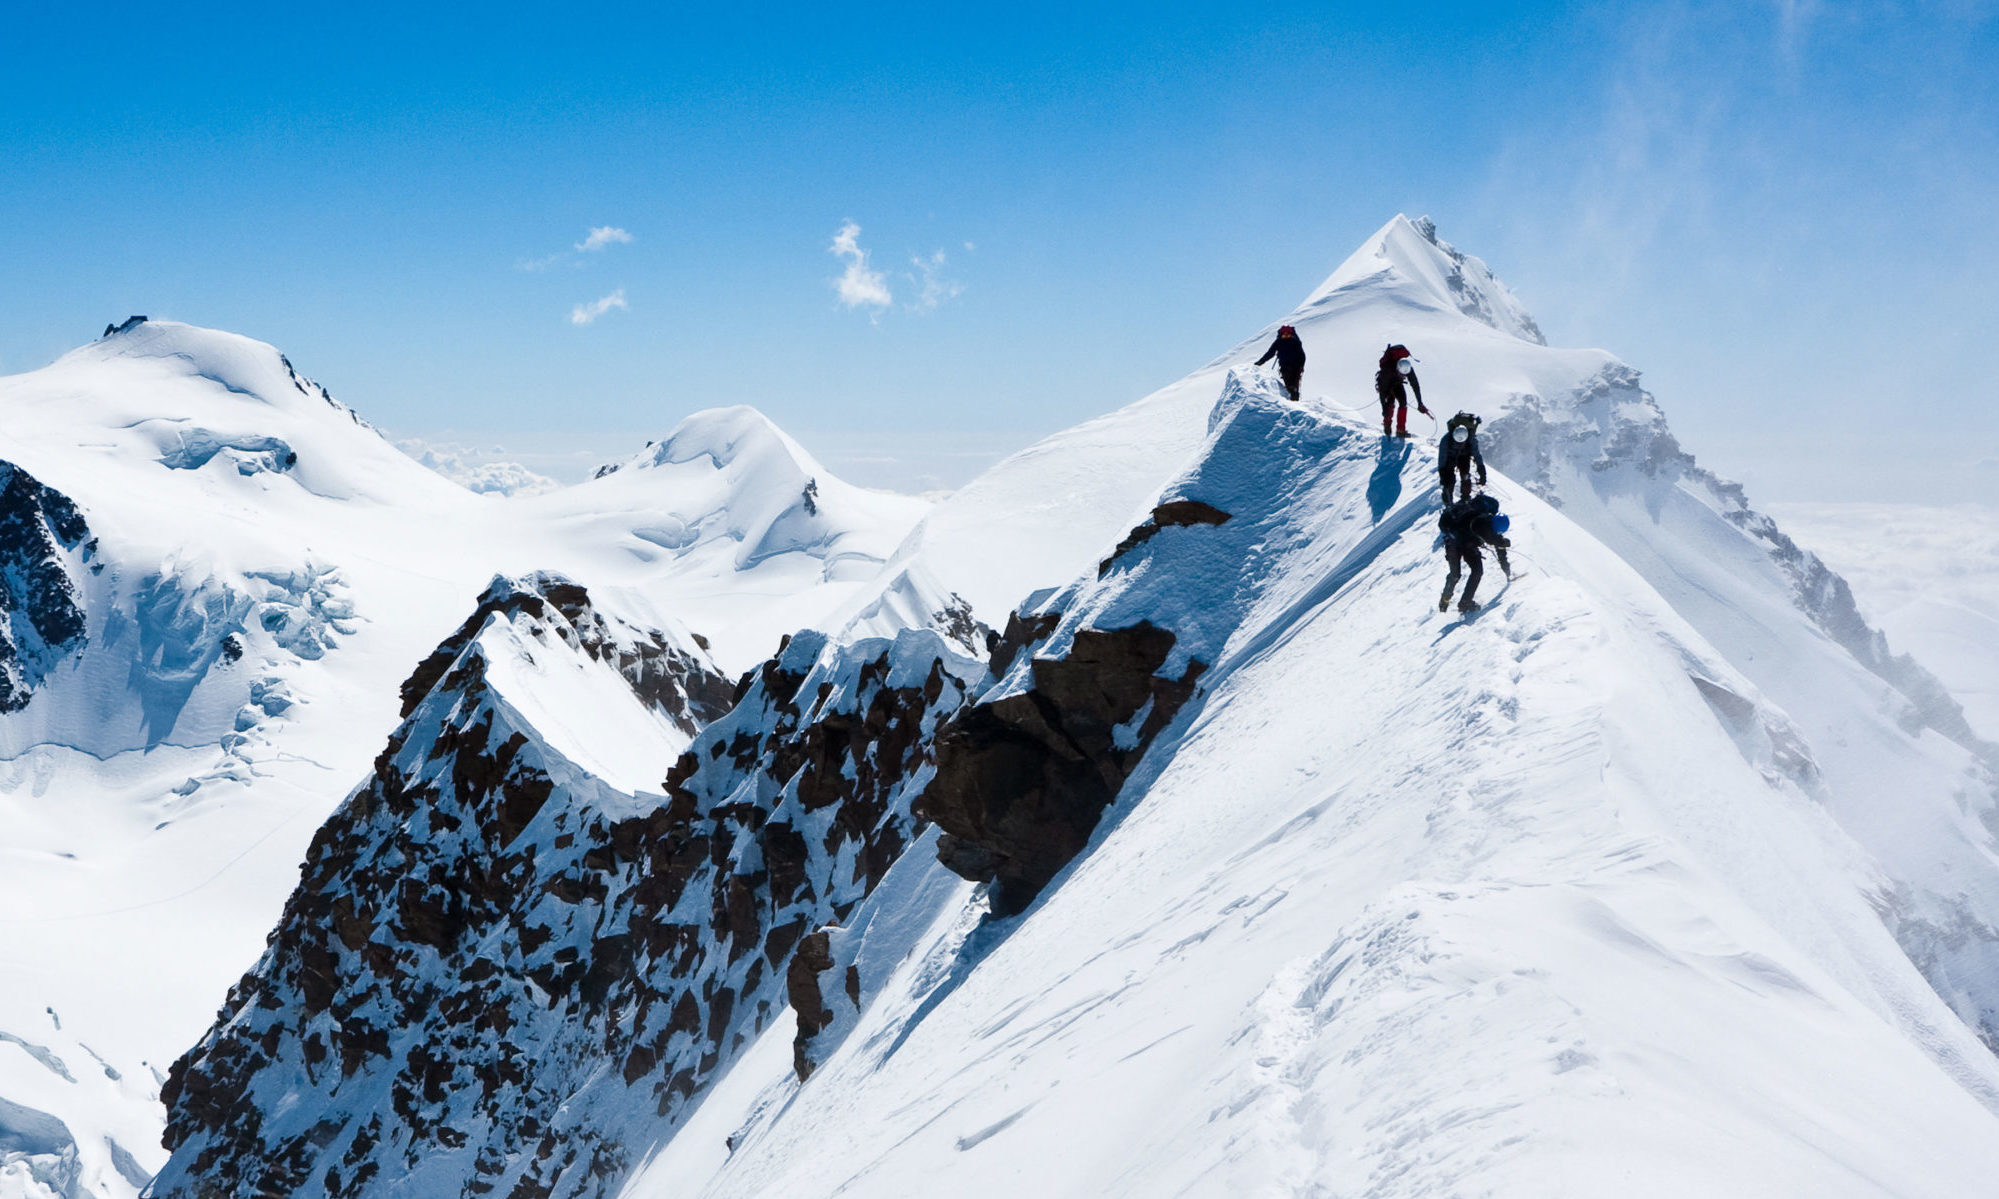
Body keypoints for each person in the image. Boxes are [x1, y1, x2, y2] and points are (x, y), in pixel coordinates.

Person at [1438, 493, 1512, 613]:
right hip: (1458, 543)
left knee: (1456, 574)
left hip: (1460, 543)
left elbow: (1496, 542)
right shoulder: (1482, 523)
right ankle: (1454, 602)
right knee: (1473, 571)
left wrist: (1506, 568)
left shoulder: (1486, 521)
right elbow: (1493, 540)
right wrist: (1506, 567)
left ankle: (1452, 601)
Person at [1375, 344, 1430, 437]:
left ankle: (1400, 430)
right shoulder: (1387, 371)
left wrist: (1420, 403)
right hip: (1386, 383)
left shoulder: (1408, 369)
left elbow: (1415, 386)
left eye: (1404, 375)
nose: (1404, 376)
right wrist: (1384, 409)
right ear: (1397, 369)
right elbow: (1383, 393)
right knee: (1389, 403)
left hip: (1397, 383)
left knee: (1403, 402)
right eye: (1401, 374)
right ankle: (1387, 425)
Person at [1439, 411, 1487, 503]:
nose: (1460, 444)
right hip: (1450, 456)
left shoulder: (1471, 440)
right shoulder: (1446, 441)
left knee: (1465, 475)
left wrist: (1482, 473)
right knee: (1448, 478)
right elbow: (1442, 460)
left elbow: (1477, 456)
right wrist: (1443, 476)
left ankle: (1465, 497)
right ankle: (1448, 499)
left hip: (1464, 456)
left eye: (1462, 442)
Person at [1254, 326, 1306, 400]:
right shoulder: (1280, 342)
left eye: (1288, 334)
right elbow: (1270, 353)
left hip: (1295, 366)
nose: (1286, 336)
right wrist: (1261, 361)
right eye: (1284, 334)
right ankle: (1294, 400)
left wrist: (1301, 366)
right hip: (1286, 366)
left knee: (1293, 385)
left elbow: (1302, 355)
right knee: (1290, 386)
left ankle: (1294, 400)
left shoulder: (1294, 342)